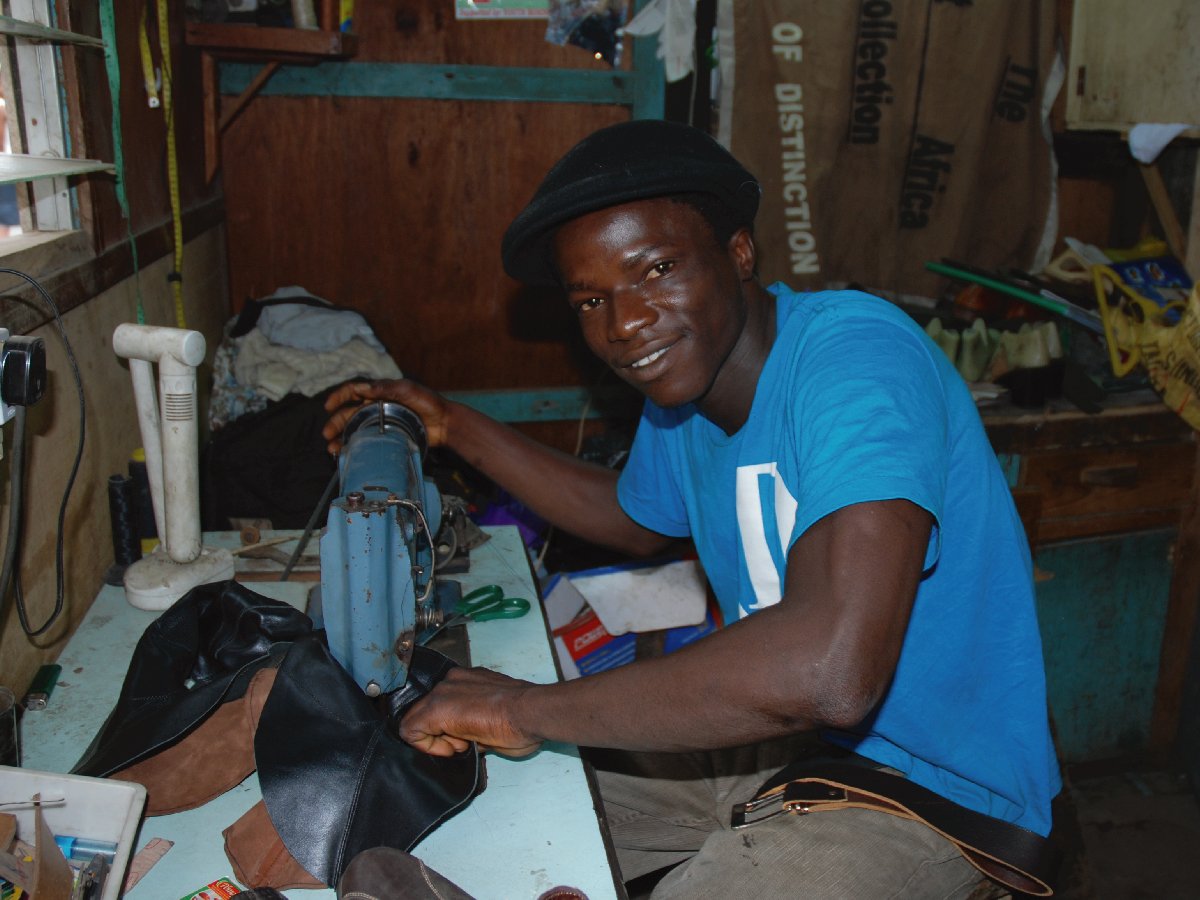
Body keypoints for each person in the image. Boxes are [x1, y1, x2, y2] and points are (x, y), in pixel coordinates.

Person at [323, 119, 1061, 898]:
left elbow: (831, 668)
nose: (625, 324)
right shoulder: (688, 398)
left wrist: (525, 707)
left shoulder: (855, 361)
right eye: (591, 300)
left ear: (739, 253)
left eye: (657, 268)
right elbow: (631, 516)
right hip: (787, 745)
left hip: (935, 791)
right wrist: (454, 426)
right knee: (479, 813)